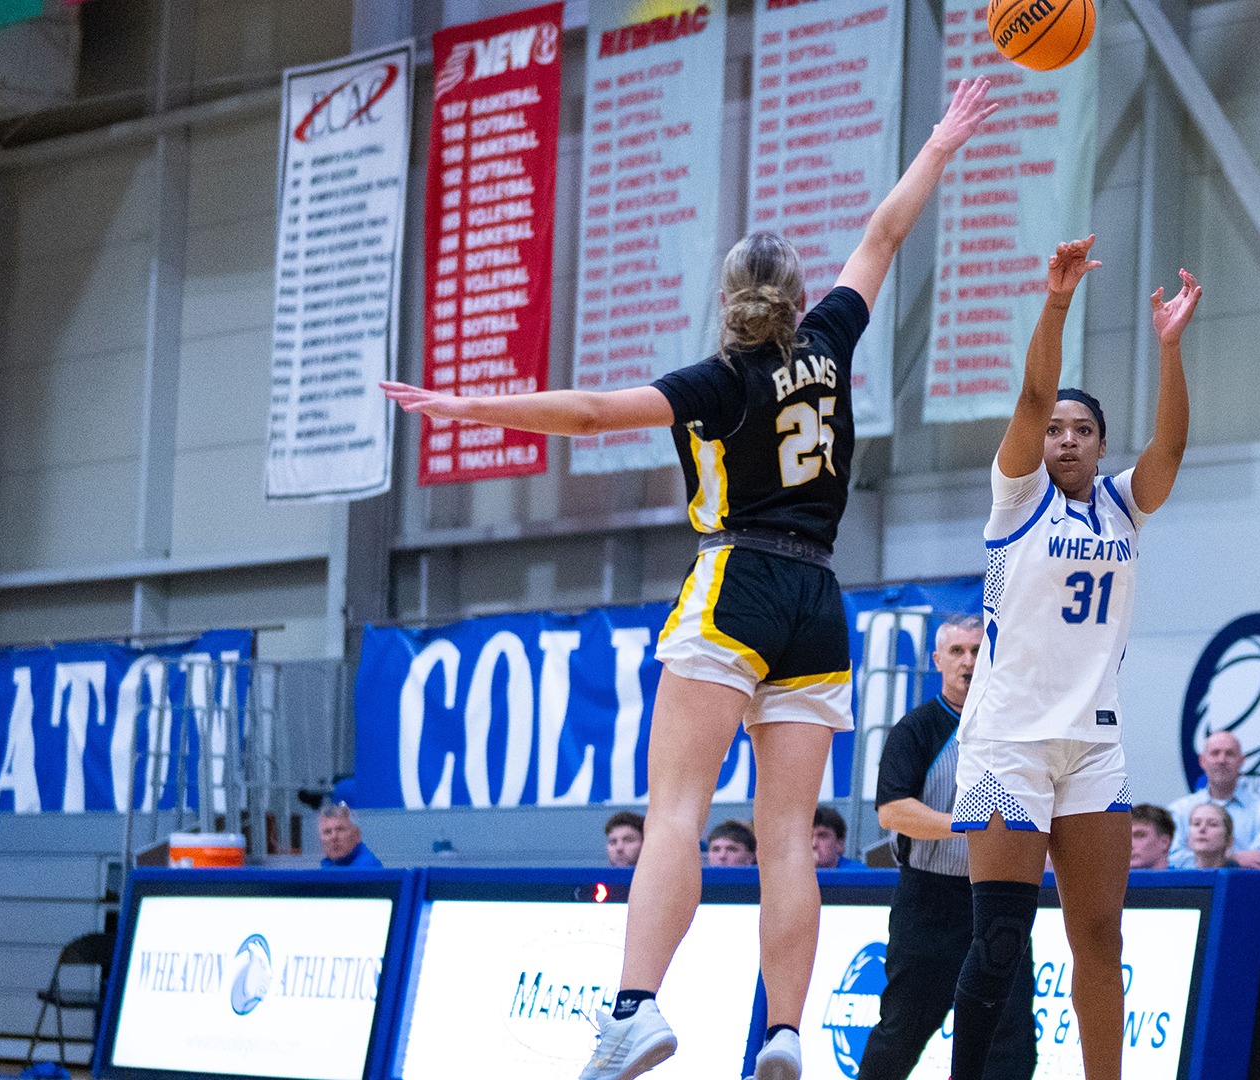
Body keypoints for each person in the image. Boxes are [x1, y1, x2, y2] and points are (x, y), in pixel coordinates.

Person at [384, 76, 999, 1080]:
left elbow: (585, 415)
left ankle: (634, 1010)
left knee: (675, 809)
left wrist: (458, 406)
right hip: (818, 600)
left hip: (738, 583)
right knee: (788, 838)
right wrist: (939, 139)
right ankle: (786, 1033)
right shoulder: (832, 344)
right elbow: (882, 236)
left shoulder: (718, 382)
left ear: (728, 304)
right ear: (802, 302)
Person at [946, 234, 1202, 1080]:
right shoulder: (1016, 497)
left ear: (1098, 445)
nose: (1061, 437)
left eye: (1080, 429)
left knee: (1100, 936)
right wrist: (1056, 302)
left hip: (1092, 743)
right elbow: (1029, 394)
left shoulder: (1124, 508)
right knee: (1000, 938)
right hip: (1006, 738)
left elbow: (1168, 453)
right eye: (1054, 427)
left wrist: (1168, 349)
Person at [860, 614, 1035, 1080]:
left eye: (978, 651)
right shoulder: (916, 729)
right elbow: (893, 811)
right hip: (929, 903)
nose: (969, 661)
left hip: (1000, 902)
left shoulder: (1020, 731)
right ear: (937, 660)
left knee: (1011, 1045)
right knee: (901, 1033)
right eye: (958, 652)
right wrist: (972, 826)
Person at [1168, 731, 1260, 872]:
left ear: (1242, 761)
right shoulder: (1179, 810)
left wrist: (1203, 859)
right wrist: (1233, 858)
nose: (1222, 760)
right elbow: (1170, 861)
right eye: (1215, 753)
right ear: (1202, 761)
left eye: (1229, 754)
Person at [1170, 802, 1235, 870]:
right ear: (1188, 838)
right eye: (1196, 824)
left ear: (1229, 840)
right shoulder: (1174, 875)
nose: (1202, 829)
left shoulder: (1240, 877)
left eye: (1212, 824)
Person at [318, 805, 383, 868]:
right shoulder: (329, 864)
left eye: (340, 830)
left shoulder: (367, 868)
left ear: (356, 835)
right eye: (327, 832)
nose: (334, 837)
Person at [1128, 804, 1174, 871]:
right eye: (1125, 837)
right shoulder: (1111, 880)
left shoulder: (1187, 880)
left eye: (1139, 835)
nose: (1128, 845)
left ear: (1165, 842)